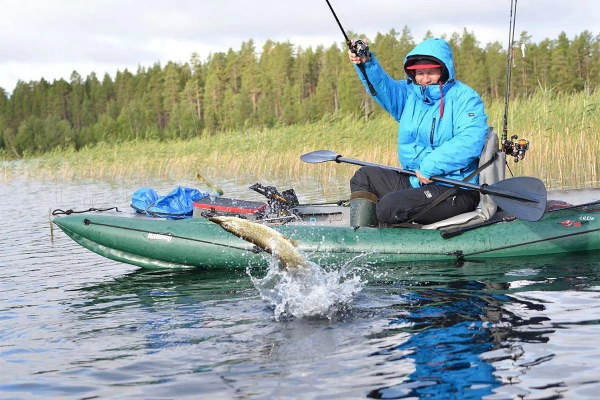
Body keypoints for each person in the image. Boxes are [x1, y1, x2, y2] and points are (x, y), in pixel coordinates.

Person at [347, 37, 489, 227]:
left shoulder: (465, 97)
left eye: (431, 72)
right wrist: (367, 63)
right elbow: (382, 88)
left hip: (456, 189)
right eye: (420, 73)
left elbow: (470, 140)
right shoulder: (409, 95)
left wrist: (430, 166)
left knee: (388, 206)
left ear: (444, 70)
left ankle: (387, 236)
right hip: (417, 181)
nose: (425, 79)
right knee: (364, 177)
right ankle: (360, 235)